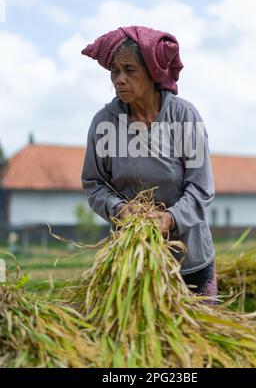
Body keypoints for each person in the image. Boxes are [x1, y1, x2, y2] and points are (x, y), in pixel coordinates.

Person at [81, 25, 217, 302]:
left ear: (152, 74)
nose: (119, 79)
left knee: (200, 340)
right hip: (133, 262)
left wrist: (169, 218)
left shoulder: (184, 116)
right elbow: (94, 184)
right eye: (114, 71)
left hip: (189, 259)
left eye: (129, 70)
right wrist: (119, 209)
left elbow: (202, 188)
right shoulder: (104, 123)